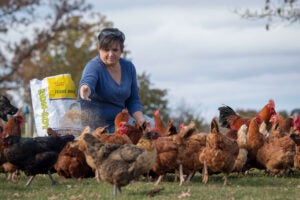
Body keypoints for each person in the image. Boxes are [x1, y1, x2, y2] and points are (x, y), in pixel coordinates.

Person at [78, 28, 151, 133]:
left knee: (152, 128)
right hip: (97, 127)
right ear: (99, 49)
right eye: (106, 50)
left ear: (122, 49)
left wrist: (141, 120)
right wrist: (86, 88)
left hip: (120, 121)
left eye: (115, 50)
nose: (111, 54)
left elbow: (133, 100)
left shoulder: (129, 67)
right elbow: (88, 80)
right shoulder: (93, 66)